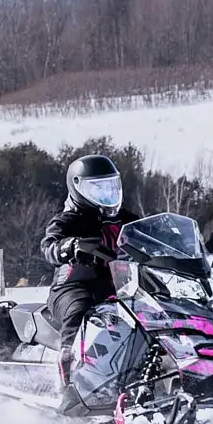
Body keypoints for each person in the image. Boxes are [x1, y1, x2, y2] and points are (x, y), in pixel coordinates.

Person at [42, 154, 138, 389]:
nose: (106, 194)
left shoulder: (127, 219)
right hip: (73, 286)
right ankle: (68, 373)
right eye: (98, 188)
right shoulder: (68, 220)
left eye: (110, 186)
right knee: (79, 309)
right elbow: (49, 245)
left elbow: (152, 236)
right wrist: (69, 246)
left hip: (119, 287)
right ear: (77, 188)